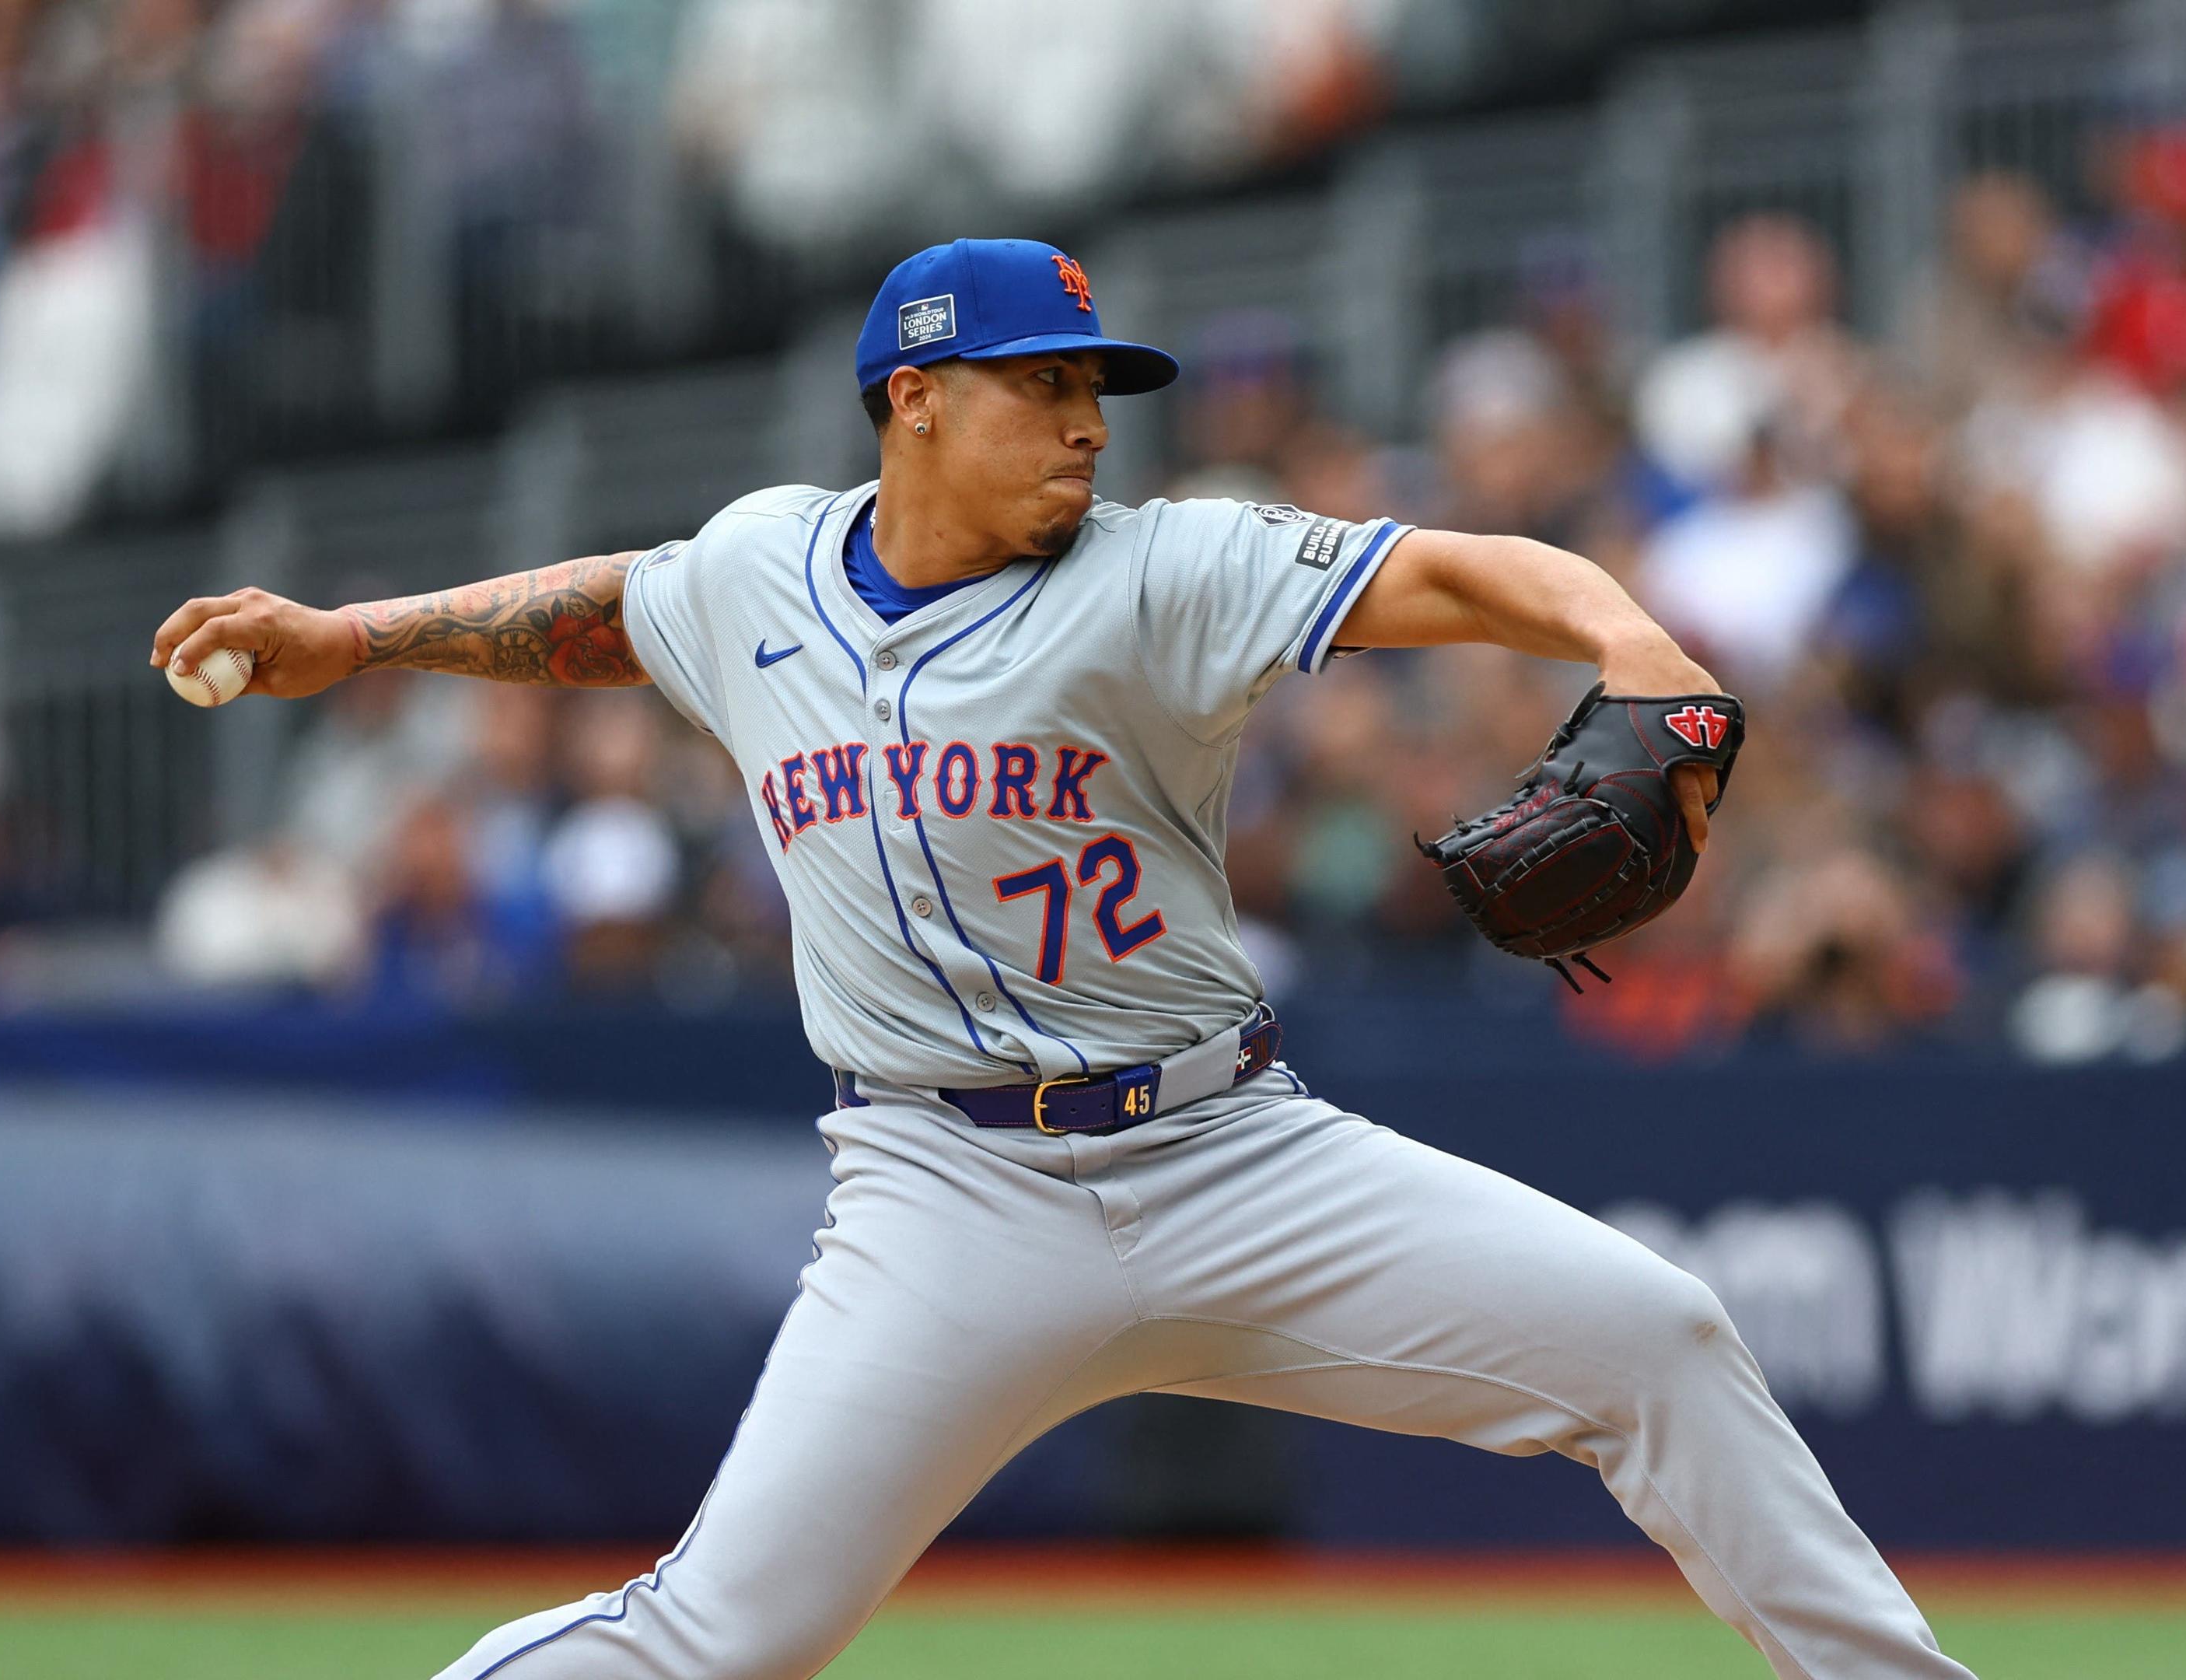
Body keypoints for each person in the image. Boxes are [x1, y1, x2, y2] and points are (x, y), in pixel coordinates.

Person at [151, 237, 1972, 1680]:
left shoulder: (1164, 570)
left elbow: (1455, 571)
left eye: (1099, 387)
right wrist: (353, 635)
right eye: (1045, 387)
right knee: (722, 1639)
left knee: (1657, 1338)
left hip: (1235, 1157)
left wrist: (1628, 628)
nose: (1090, 422)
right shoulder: (757, 571)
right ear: (916, 398)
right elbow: (596, 614)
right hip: (946, 1196)